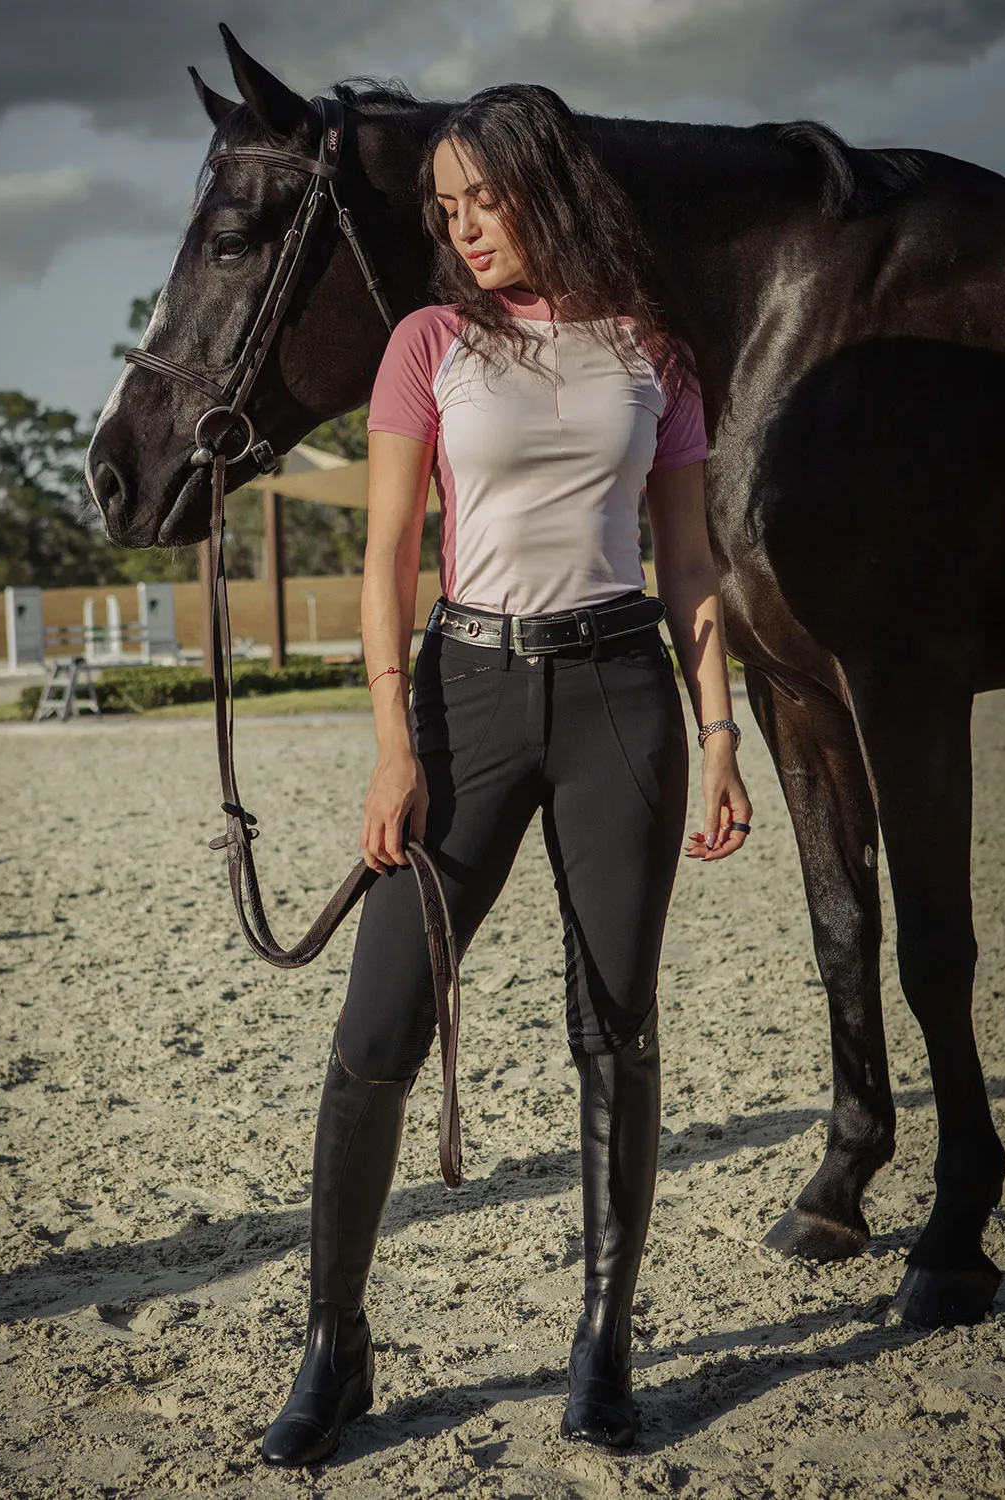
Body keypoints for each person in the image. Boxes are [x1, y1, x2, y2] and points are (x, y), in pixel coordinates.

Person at [261, 82, 752, 1468]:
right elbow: (387, 559)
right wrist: (392, 745)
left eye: (488, 198)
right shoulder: (427, 344)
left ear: (552, 187)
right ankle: (334, 1345)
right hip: (465, 696)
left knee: (616, 1026)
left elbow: (688, 561)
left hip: (620, 697)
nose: (467, 228)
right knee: (377, 1028)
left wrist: (721, 733)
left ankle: (605, 1343)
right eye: (448, 207)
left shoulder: (654, 348)